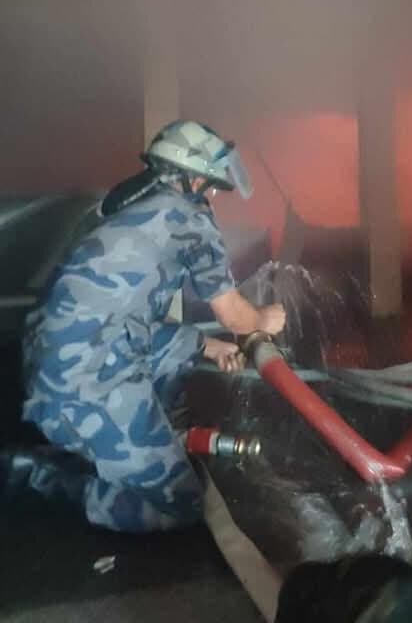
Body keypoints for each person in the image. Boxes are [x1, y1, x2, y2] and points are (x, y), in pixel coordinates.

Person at [22, 120, 286, 532]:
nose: (212, 196)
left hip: (55, 360)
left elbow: (127, 317)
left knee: (183, 351)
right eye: (210, 186)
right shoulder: (188, 219)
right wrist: (265, 318)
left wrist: (207, 345)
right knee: (179, 504)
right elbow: (234, 316)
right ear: (192, 178)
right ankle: (41, 477)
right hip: (86, 383)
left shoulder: (127, 206)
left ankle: (139, 442)